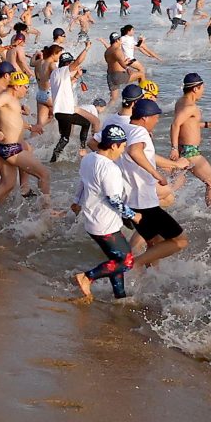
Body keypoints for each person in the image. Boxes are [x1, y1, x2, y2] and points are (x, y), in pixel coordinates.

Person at [69, 124, 141, 300]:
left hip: (92, 221)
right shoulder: (110, 168)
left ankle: (120, 295)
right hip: (105, 224)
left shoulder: (89, 158)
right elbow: (114, 200)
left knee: (115, 259)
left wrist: (76, 201)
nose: (123, 151)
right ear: (114, 146)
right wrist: (133, 215)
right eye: (123, 146)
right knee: (127, 261)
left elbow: (83, 182)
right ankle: (87, 277)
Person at [120, 99, 190, 267]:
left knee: (155, 241)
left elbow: (95, 141)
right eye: (155, 117)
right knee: (180, 241)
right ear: (145, 118)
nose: (157, 121)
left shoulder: (122, 129)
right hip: (144, 201)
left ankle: (152, 277)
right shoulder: (140, 132)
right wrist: (156, 174)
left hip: (128, 199)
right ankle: (135, 265)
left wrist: (175, 164)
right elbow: (135, 152)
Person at [0, 72, 52, 220]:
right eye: (26, 87)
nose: (27, 90)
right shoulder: (6, 97)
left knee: (8, 183)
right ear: (17, 86)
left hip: (7, 148)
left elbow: (14, 121)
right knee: (44, 174)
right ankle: (46, 212)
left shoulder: (13, 99)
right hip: (11, 149)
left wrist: (31, 127)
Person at [169, 73, 211, 206]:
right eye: (202, 88)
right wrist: (174, 148)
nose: (203, 91)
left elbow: (187, 124)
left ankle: (154, 202)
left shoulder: (181, 102)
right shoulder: (191, 107)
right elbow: (175, 124)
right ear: (195, 89)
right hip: (190, 152)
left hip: (183, 149)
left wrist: (208, 124)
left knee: (174, 186)